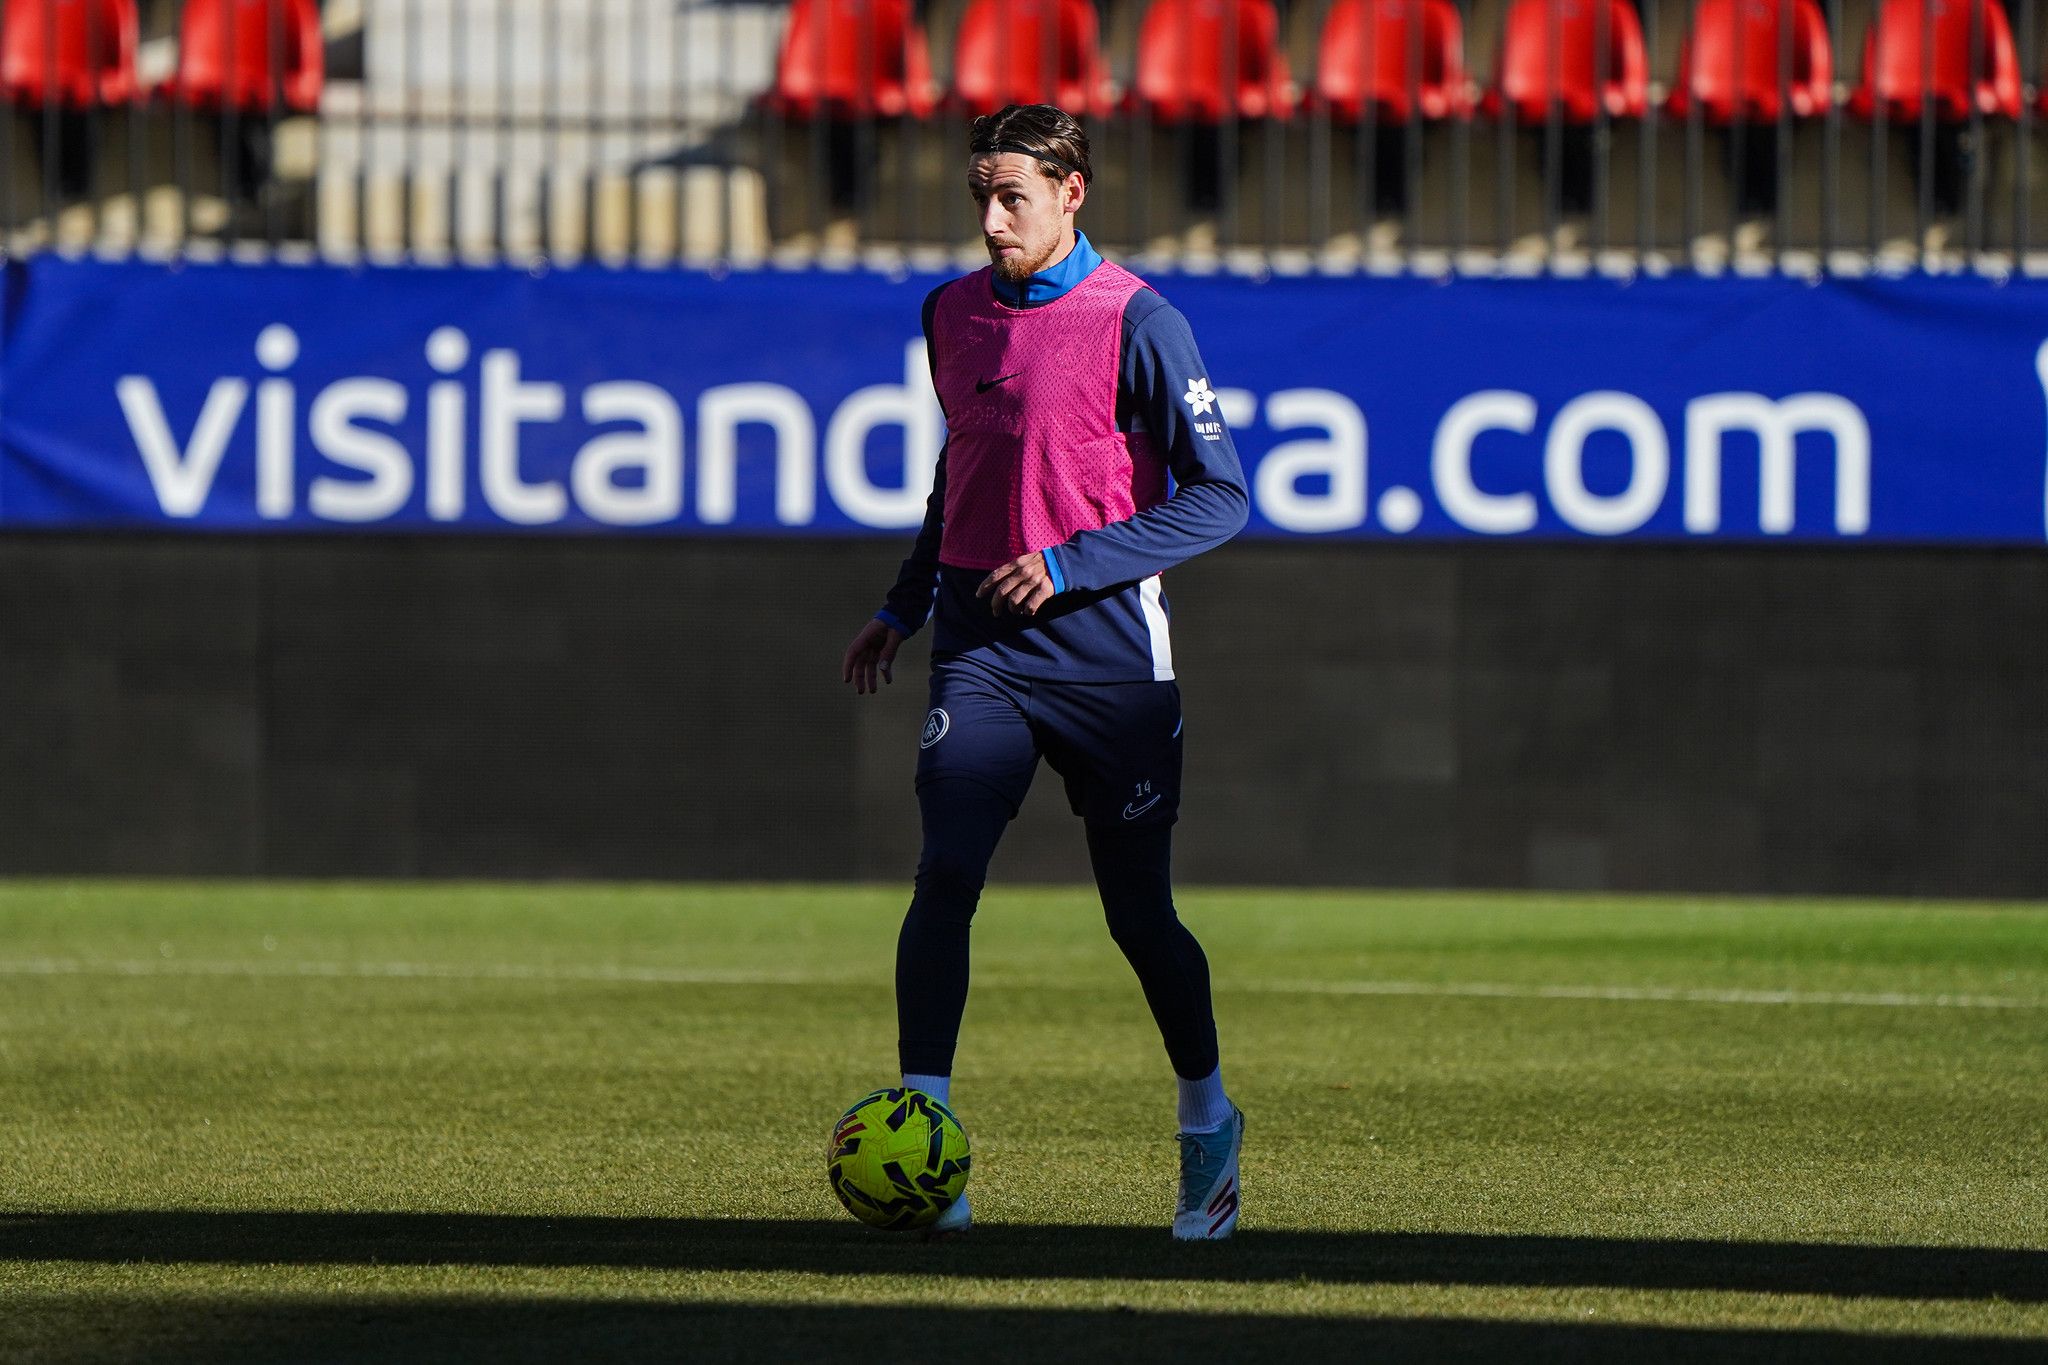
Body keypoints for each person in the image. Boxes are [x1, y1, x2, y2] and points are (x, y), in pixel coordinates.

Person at [840, 103, 1250, 1240]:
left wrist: (1071, 562)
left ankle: (1206, 1124)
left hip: (1109, 658)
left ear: (1072, 193)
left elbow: (1221, 496)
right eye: (978, 194)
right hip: (978, 649)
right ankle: (926, 1146)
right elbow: (960, 471)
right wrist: (903, 603)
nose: (989, 218)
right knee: (946, 874)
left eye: (1010, 195)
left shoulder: (1140, 321)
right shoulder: (949, 313)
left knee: (1136, 916)